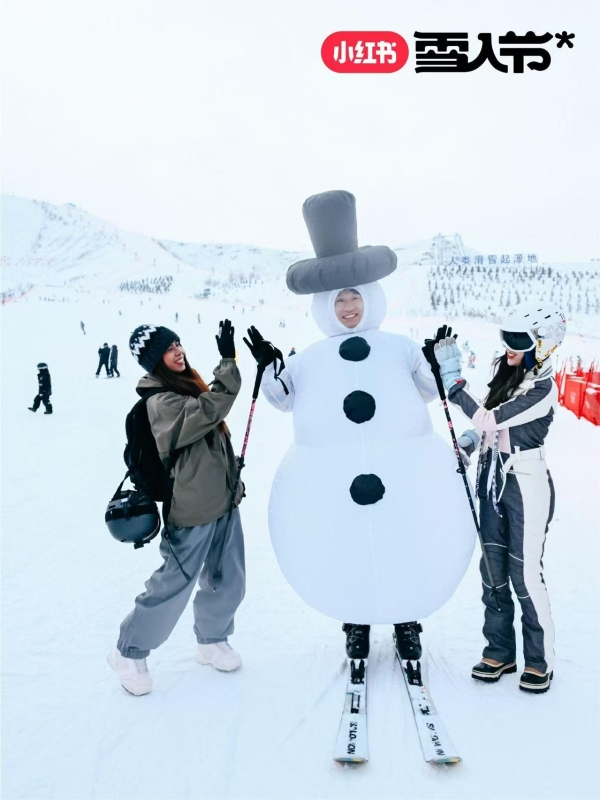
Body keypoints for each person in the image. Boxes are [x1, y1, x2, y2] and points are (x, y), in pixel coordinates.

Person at [254, 191, 474, 665]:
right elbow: (282, 399)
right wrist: (270, 371)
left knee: (404, 541)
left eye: (354, 297)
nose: (348, 307)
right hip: (333, 481)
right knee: (347, 546)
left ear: (370, 297)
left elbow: (431, 388)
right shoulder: (310, 360)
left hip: (405, 474)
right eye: (338, 300)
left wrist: (441, 360)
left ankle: (406, 622)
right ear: (323, 306)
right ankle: (355, 624)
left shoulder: (399, 347)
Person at [433, 301, 566, 694]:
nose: (509, 348)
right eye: (506, 338)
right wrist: (471, 444)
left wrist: (455, 382)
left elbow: (491, 418)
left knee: (524, 574)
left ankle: (540, 660)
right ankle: (500, 651)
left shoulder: (543, 388)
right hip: (491, 479)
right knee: (492, 571)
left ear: (541, 345)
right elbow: (489, 422)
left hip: (525, 482)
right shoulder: (508, 375)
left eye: (518, 341)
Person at [108, 321, 246, 696]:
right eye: (169, 349)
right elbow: (210, 409)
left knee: (227, 578)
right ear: (155, 362)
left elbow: (211, 443)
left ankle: (212, 640)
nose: (178, 351)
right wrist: (228, 361)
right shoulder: (161, 402)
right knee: (172, 585)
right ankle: (129, 651)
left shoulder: (185, 387)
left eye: (179, 344)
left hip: (223, 502)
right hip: (190, 509)